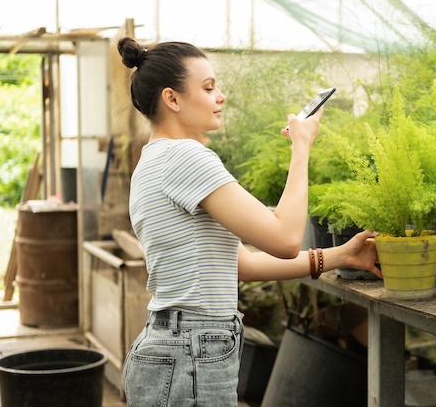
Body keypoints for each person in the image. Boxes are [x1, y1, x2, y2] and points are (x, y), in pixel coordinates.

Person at [117, 36, 382, 407]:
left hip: (174, 348)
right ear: (172, 99)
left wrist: (340, 256)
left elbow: (242, 263)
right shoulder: (185, 158)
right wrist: (301, 147)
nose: (220, 96)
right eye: (208, 88)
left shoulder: (153, 162)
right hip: (190, 353)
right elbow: (285, 237)